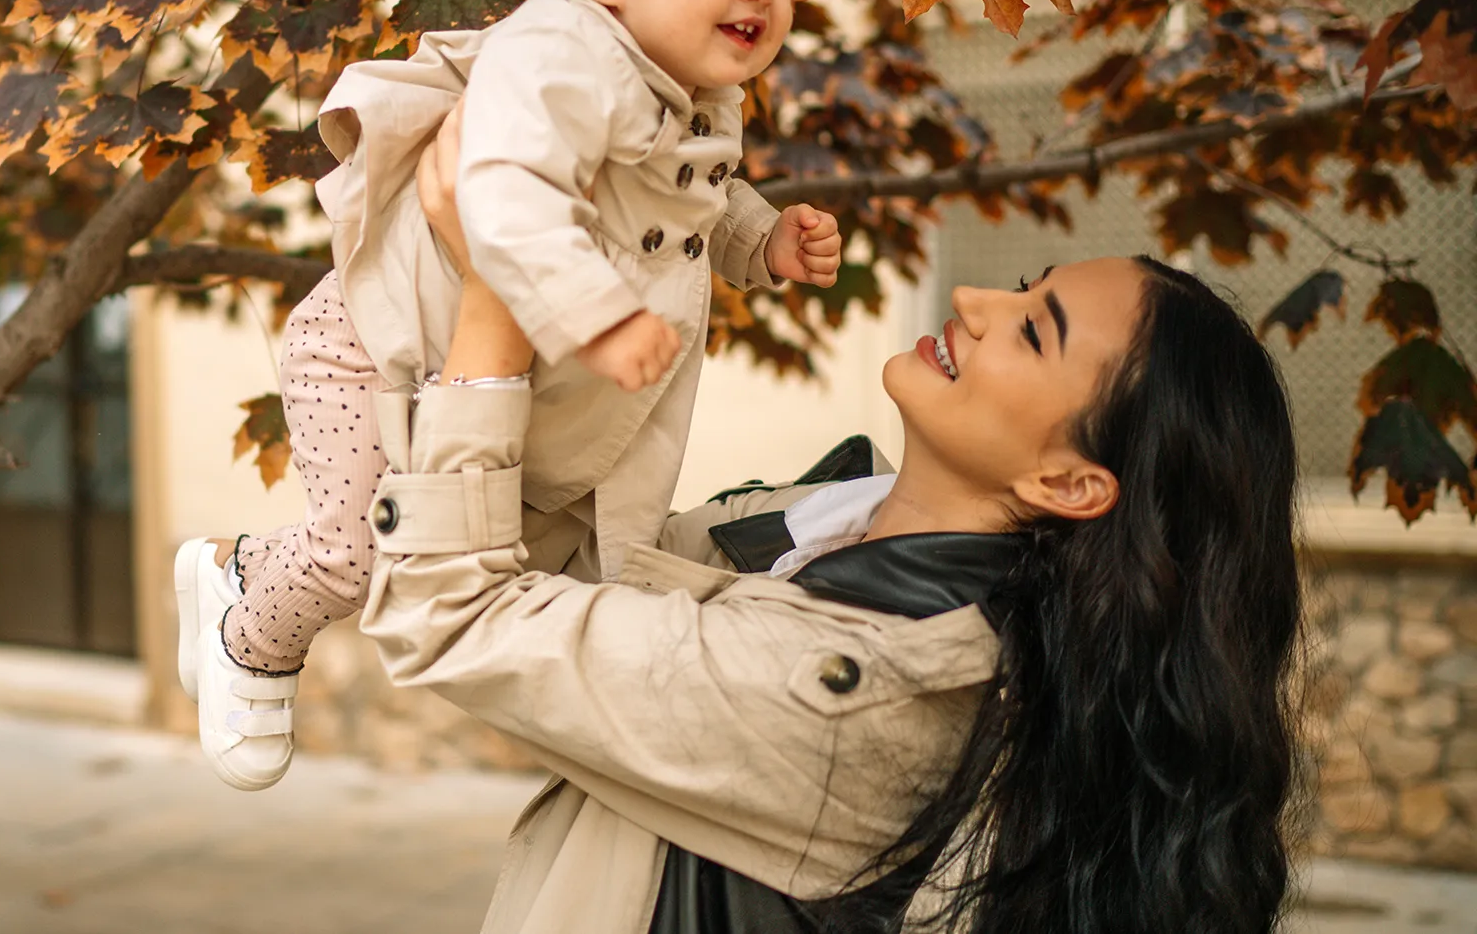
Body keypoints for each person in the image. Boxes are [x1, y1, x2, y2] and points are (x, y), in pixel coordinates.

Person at [349, 118, 1306, 933]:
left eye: (1032, 330)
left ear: (1070, 482)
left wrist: (495, 310)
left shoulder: (860, 689)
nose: (974, 304)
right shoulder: (795, 528)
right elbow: (549, 556)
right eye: (1023, 285)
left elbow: (453, 614)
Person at [174, 0, 844, 791]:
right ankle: (243, 610)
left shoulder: (687, 88)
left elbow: (688, 195)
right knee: (361, 547)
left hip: (499, 389)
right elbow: (500, 192)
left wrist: (761, 240)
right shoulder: (553, 56)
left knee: (519, 570)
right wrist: (599, 316)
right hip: (371, 349)